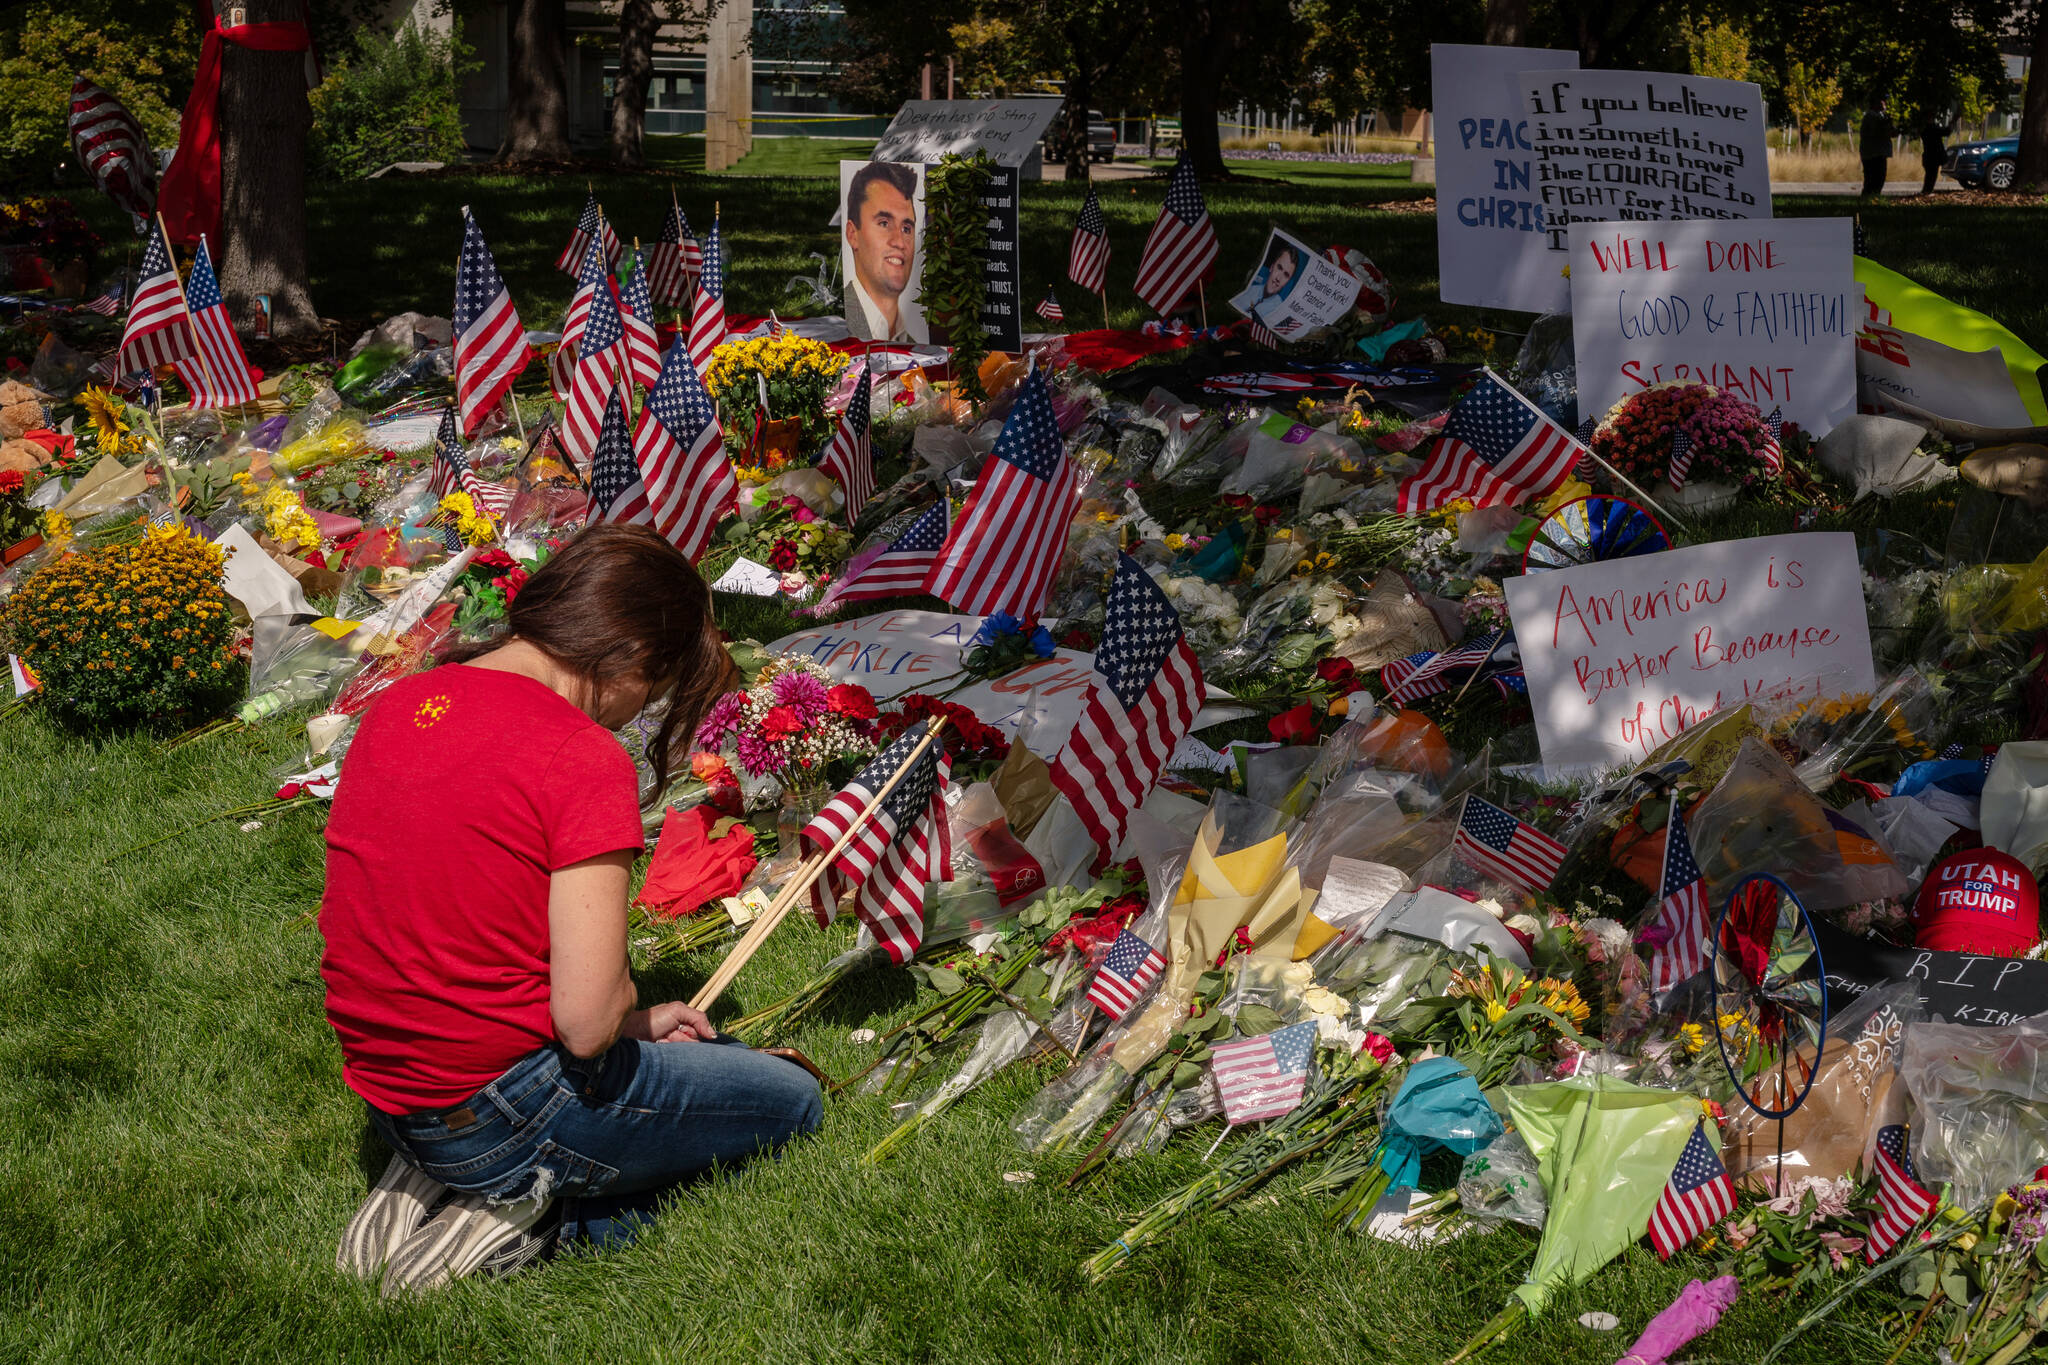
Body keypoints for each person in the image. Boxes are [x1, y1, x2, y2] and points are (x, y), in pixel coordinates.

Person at [320, 524, 823, 1295]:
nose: (633, 716)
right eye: (650, 694)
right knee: (795, 1100)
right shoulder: (579, 753)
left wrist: (636, 1021)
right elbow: (585, 1025)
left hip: (392, 1092)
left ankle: (439, 1176)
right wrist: (620, 1005)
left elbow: (457, 932)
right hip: (504, 1110)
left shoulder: (402, 703)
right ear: (625, 659)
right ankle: (528, 1219)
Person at [844, 161, 923, 343]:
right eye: (884, 223)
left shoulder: (915, 345)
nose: (899, 242)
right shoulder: (835, 327)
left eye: (906, 228)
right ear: (852, 234)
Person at [1860, 99, 1895, 197]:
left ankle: (1872, 198)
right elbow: (1879, 131)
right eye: (1881, 102)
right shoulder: (1872, 116)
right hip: (1873, 153)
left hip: (1876, 152)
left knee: (1877, 177)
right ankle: (1870, 198)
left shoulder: (1880, 116)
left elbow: (1891, 132)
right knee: (1875, 178)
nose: (1884, 104)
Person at [1920, 114, 1948, 195]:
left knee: (1929, 175)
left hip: (1928, 156)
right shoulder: (1931, 128)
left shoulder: (1924, 129)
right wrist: (1953, 121)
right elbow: (1946, 132)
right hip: (1933, 157)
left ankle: (1926, 191)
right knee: (1931, 175)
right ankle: (1927, 191)